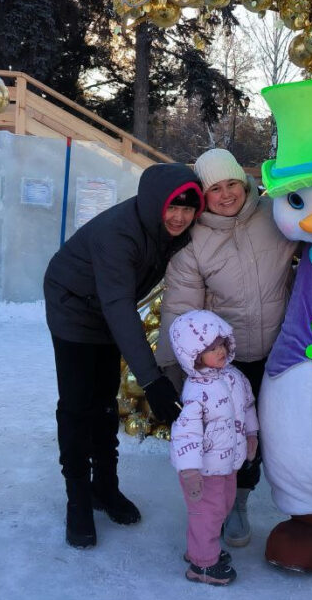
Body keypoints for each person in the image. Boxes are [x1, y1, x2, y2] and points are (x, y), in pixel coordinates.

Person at [43, 162, 205, 549]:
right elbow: (118, 306)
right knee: (78, 404)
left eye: (188, 208)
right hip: (74, 307)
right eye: (173, 206)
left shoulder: (171, 230)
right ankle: (78, 498)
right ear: (155, 203)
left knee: (106, 400)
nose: (180, 217)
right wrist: (152, 381)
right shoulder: (118, 234)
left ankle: (105, 487)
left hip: (110, 305)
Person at [155, 149, 297, 547]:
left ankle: (244, 500)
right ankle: (225, 503)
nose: (226, 194)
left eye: (232, 183)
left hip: (280, 350)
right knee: (226, 435)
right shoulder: (194, 239)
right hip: (225, 362)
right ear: (204, 194)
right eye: (215, 188)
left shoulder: (274, 215)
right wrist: (173, 364)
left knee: (263, 433)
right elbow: (181, 307)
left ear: (245, 183)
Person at [169, 309, 258, 585]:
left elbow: (247, 405)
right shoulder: (195, 392)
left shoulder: (234, 377)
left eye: (221, 344)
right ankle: (203, 565)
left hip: (228, 463)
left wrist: (251, 434)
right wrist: (189, 470)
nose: (220, 351)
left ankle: (200, 549)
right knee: (207, 513)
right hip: (204, 470)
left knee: (221, 508)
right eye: (210, 348)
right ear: (193, 355)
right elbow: (186, 433)